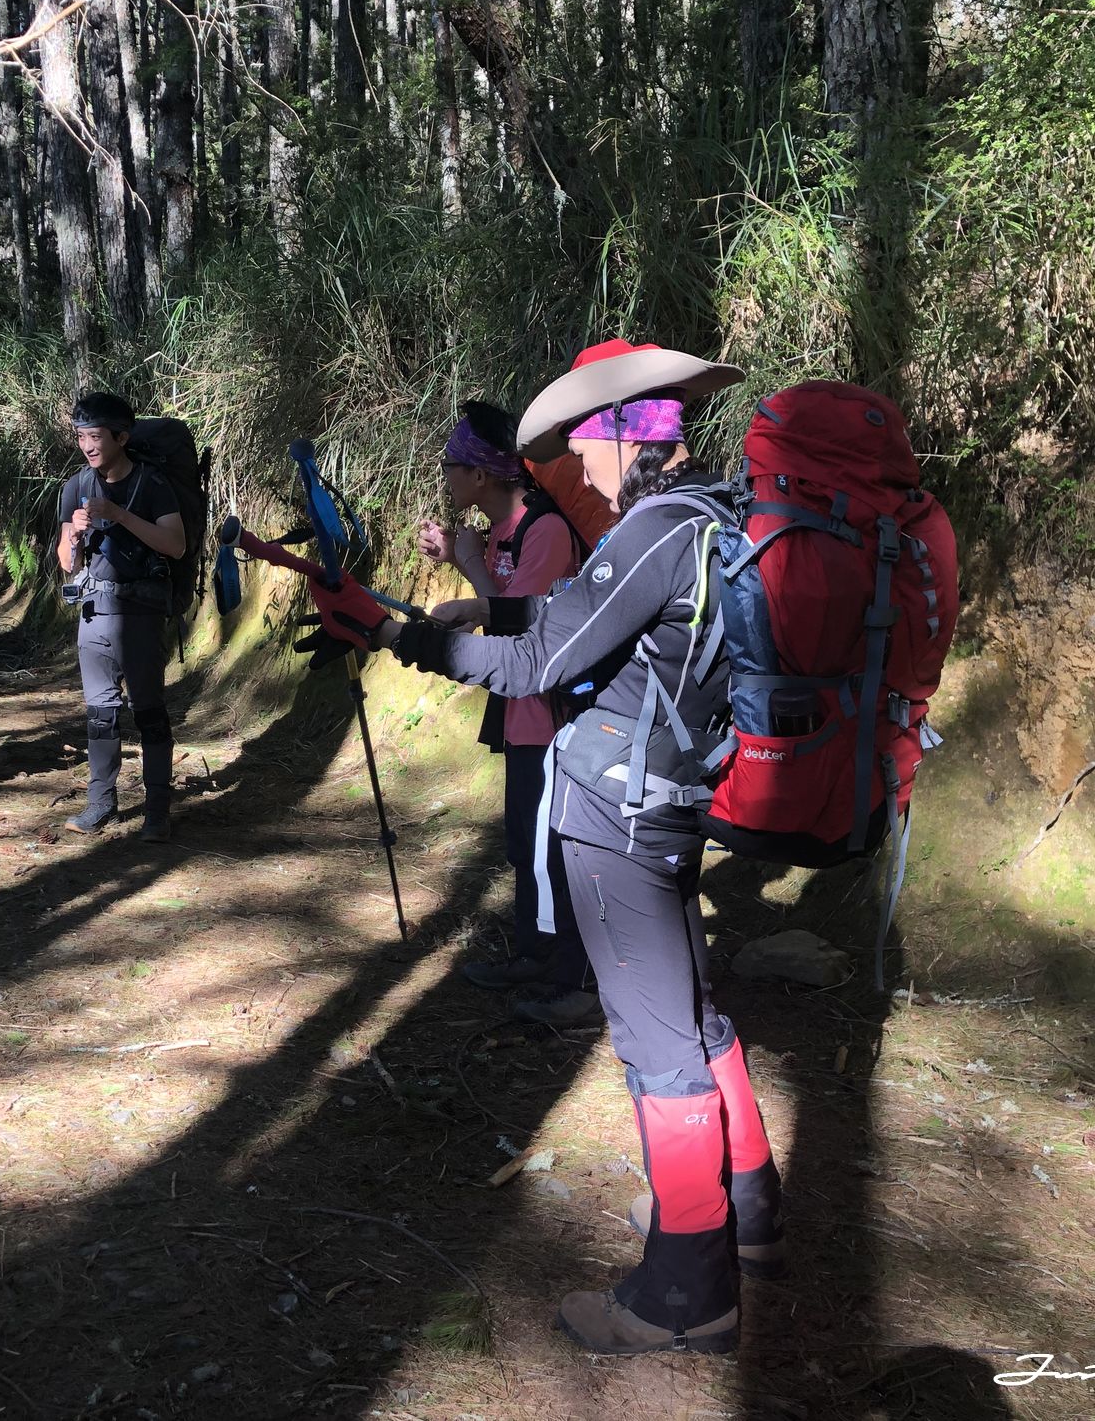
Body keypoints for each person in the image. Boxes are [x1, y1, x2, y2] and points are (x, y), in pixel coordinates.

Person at [302, 345, 785, 1357]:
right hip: (674, 790)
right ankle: (749, 1210)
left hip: (616, 815)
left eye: (579, 442)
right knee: (691, 1013)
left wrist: (402, 638)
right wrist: (443, 615)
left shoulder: (648, 528)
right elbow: (576, 626)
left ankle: (685, 1291)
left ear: (619, 434)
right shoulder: (713, 516)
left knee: (656, 1046)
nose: (571, 463)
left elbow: (532, 660)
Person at [416, 401, 595, 1025]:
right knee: (524, 840)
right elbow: (505, 611)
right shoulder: (502, 532)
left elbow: (526, 632)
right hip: (521, 710)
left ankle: (564, 972)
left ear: (482, 476)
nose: (446, 476)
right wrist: (465, 559)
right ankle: (534, 953)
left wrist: (467, 575)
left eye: (452, 465)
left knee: (549, 844)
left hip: (552, 714)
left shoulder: (543, 531)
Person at [54, 392, 187, 841]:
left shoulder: (151, 484)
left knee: (148, 711)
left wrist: (118, 515)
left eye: (94, 436)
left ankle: (157, 809)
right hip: (93, 613)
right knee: (100, 714)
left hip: (142, 613)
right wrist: (72, 538)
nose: (87, 445)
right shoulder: (75, 485)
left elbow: (175, 545)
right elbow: (65, 561)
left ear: (121, 437)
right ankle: (100, 803)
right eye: (80, 437)